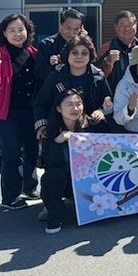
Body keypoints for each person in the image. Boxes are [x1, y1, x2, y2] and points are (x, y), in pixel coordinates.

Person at [0, 14, 39, 209]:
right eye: (12, 30)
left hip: (30, 111)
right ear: (4, 33)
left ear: (28, 31)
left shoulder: (33, 53)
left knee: (32, 150)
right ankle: (10, 197)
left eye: (21, 29)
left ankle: (30, 186)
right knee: (12, 154)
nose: (18, 34)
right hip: (7, 114)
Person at [40, 89, 107, 233]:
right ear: (59, 108)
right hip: (66, 182)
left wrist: (103, 112)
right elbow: (48, 163)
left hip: (91, 181)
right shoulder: (50, 131)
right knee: (51, 177)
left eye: (78, 104)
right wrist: (58, 141)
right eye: (69, 104)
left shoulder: (93, 124)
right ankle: (55, 215)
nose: (75, 108)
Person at [33, 34, 112, 137]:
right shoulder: (56, 77)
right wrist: (42, 126)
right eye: (74, 53)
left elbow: (108, 102)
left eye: (84, 53)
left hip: (91, 133)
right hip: (60, 131)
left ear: (90, 55)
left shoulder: (98, 77)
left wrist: (101, 111)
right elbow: (41, 103)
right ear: (67, 54)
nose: (79, 56)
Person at [34, 8, 84, 87]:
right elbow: (38, 74)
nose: (71, 32)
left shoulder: (83, 46)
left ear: (81, 29)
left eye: (76, 29)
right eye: (68, 28)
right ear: (60, 25)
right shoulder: (46, 45)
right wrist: (51, 65)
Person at [97, 10, 138, 94]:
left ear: (136, 26)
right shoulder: (106, 48)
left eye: (130, 24)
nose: (127, 29)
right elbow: (97, 78)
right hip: (114, 97)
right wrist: (108, 63)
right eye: (122, 25)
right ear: (115, 27)